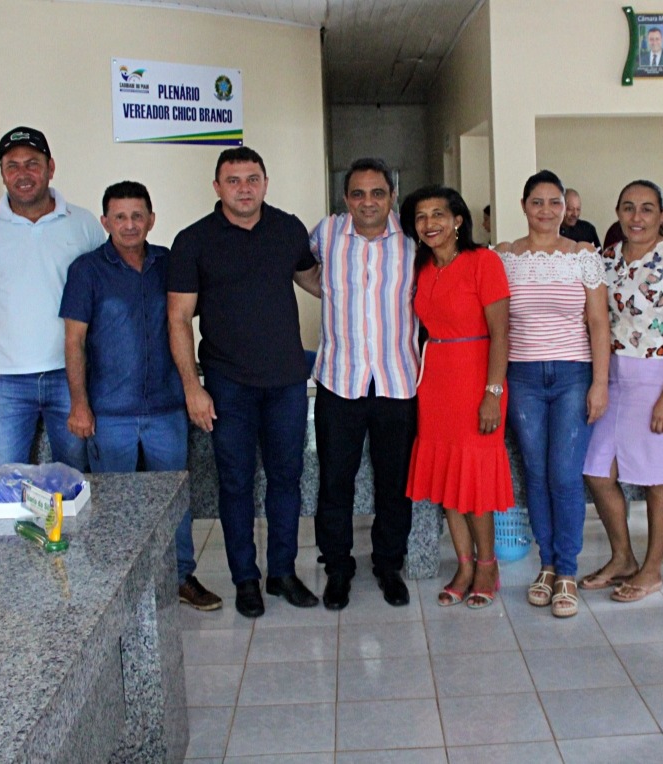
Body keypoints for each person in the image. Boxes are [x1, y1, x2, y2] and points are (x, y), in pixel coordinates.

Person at [168, 147, 321, 618]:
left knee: (286, 479)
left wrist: (371, 283)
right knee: (235, 483)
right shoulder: (194, 240)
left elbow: (316, 281)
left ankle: (282, 573)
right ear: (217, 187)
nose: (244, 188)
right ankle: (245, 580)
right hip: (227, 384)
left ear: (265, 183)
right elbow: (178, 318)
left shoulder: (288, 229)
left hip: (287, 381)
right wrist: (192, 387)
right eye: (233, 180)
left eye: (252, 178)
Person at [59, 181, 221, 611]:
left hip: (167, 407)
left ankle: (180, 576)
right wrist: (79, 403)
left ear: (151, 219)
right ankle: (119, 587)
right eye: (120, 217)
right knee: (115, 505)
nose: (129, 224)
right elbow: (74, 341)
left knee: (174, 500)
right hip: (110, 412)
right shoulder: (87, 270)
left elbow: (188, 318)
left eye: (137, 216)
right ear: (105, 222)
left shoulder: (170, 263)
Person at [0, 127, 106, 470]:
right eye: (12, 166)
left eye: (32, 164)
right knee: (5, 486)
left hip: (72, 377)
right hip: (5, 383)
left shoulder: (83, 224)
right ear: (2, 173)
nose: (22, 174)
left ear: (51, 167)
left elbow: (103, 302)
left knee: (76, 482)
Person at [581, 180, 663, 603]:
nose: (637, 217)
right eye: (628, 207)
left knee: (654, 476)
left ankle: (651, 570)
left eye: (647, 208)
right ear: (617, 211)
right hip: (614, 376)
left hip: (661, 377)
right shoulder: (607, 259)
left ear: (661, 214)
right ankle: (622, 557)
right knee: (597, 471)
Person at [494, 171, 609, 618]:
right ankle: (546, 564)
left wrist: (600, 382)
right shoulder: (505, 256)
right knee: (537, 474)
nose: (546, 210)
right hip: (522, 377)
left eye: (554, 202)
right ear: (524, 206)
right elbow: (497, 324)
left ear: (565, 207)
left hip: (573, 376)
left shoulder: (583, 256)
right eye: (537, 202)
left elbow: (598, 323)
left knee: (564, 474)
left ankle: (567, 570)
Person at [309, 158, 418, 610]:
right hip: (340, 381)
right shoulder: (327, 233)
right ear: (345, 199)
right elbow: (299, 267)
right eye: (358, 194)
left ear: (392, 196)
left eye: (377, 193)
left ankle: (389, 564)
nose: (367, 202)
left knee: (395, 483)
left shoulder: (413, 238)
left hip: (398, 382)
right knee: (335, 482)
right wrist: (328, 290)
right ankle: (338, 567)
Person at [401, 185, 513, 610]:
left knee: (475, 482)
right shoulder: (422, 267)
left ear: (458, 220)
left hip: (477, 378)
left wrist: (493, 393)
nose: (429, 224)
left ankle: (487, 565)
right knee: (448, 479)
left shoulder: (483, 262)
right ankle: (464, 566)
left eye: (438, 214)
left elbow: (501, 333)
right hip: (435, 382)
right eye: (421, 217)